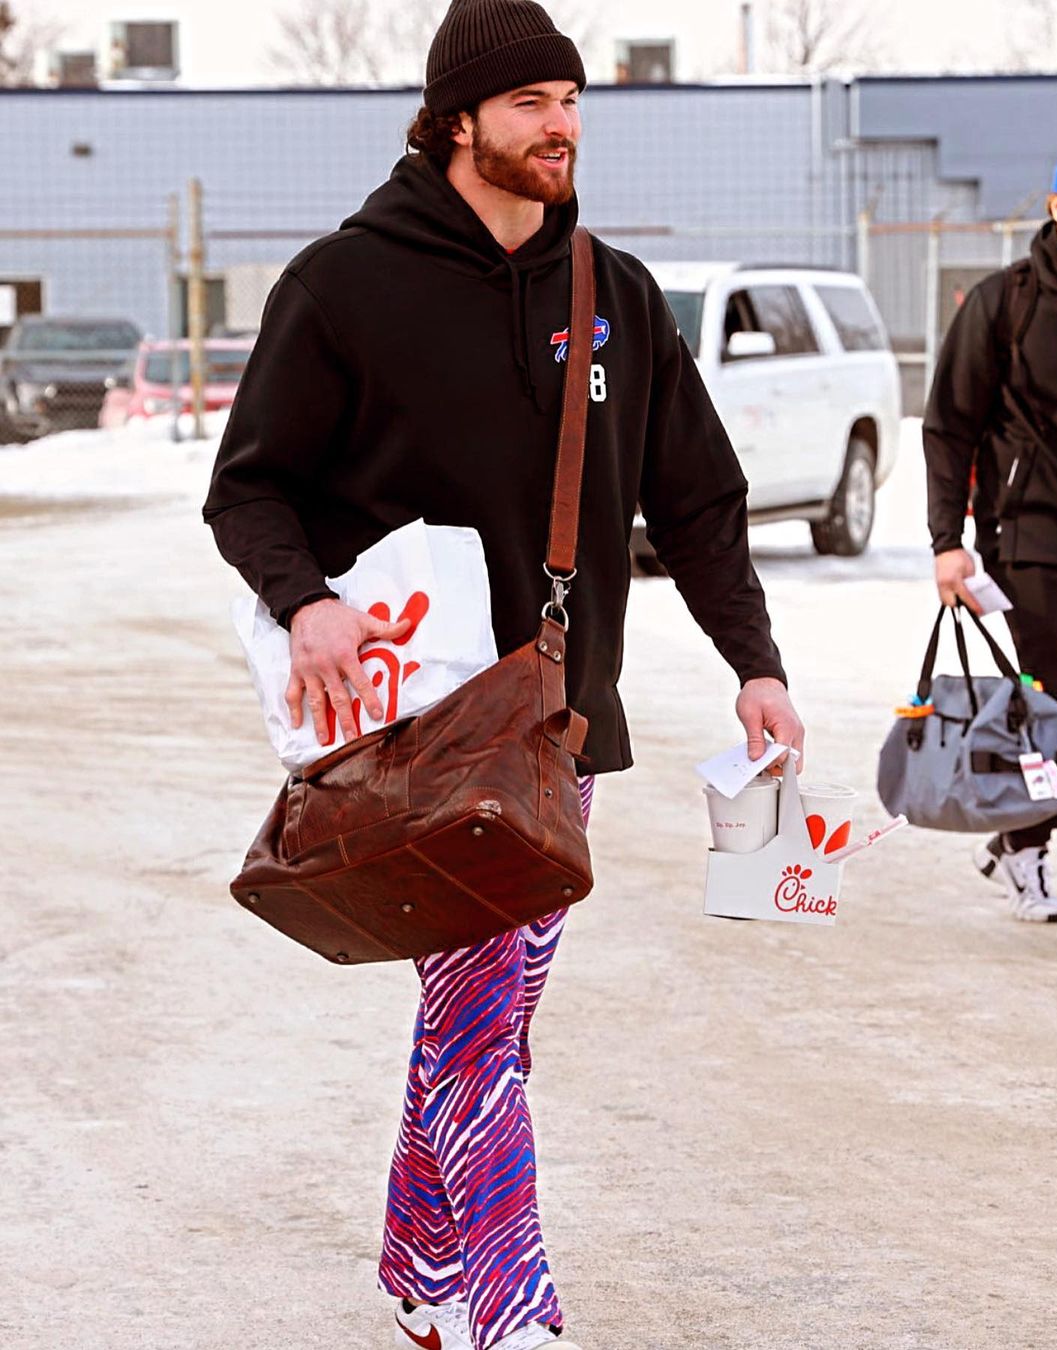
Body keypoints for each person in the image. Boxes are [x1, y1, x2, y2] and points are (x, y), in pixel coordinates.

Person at [204, 2, 803, 1345]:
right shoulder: (342, 286)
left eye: (571, 99)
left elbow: (700, 503)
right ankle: (511, 1309)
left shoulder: (614, 296)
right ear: (455, 121)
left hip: (556, 729)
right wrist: (305, 604)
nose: (561, 125)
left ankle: (420, 1272)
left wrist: (755, 665)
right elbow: (246, 491)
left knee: (482, 1019)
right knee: (478, 1025)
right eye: (530, 101)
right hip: (414, 733)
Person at [924, 144, 1057, 924]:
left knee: (1053, 714)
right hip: (1033, 541)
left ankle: (1020, 838)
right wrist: (945, 541)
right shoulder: (1005, 302)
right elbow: (949, 426)